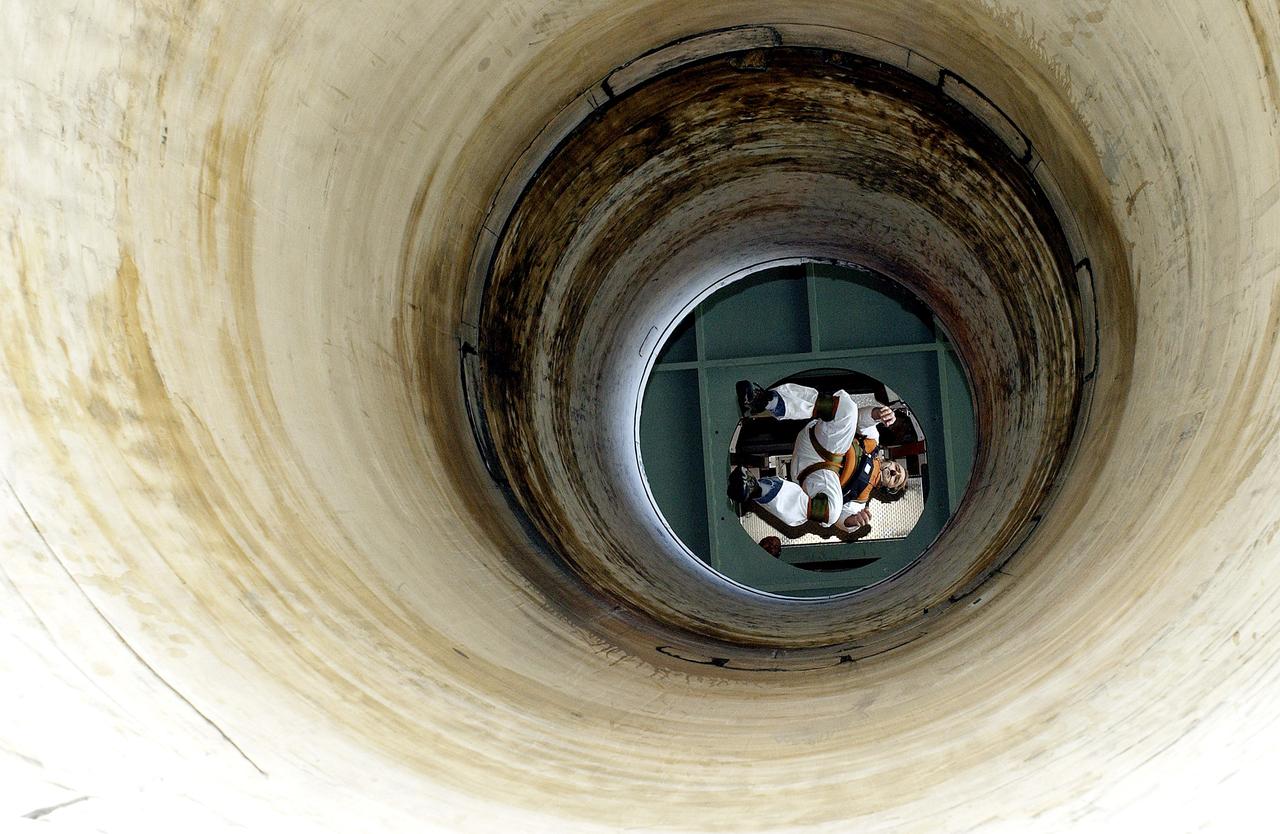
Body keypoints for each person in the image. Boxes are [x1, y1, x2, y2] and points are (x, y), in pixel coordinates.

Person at [728, 381, 908, 533]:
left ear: (887, 488)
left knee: (831, 513)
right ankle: (766, 401)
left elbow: (841, 522)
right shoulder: (874, 442)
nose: (893, 472)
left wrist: (853, 521)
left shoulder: (860, 503)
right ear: (892, 462)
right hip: (819, 443)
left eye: (895, 479)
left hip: (816, 474)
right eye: (897, 469)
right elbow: (862, 419)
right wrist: (878, 414)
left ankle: (755, 488)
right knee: (848, 409)